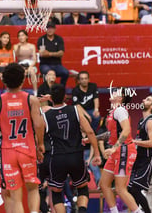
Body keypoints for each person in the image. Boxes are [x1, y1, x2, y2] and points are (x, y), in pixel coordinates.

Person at [0, 63, 45, 213]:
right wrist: (41, 144)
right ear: (23, 79)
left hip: (8, 152)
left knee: (16, 197)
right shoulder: (31, 100)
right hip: (27, 150)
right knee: (32, 189)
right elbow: (39, 124)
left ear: (4, 80)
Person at [43, 84, 101, 213]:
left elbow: (38, 139)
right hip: (76, 155)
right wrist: (97, 154)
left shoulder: (45, 115)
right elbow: (90, 132)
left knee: (56, 192)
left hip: (57, 157)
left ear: (51, 98)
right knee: (82, 187)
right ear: (65, 97)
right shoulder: (75, 110)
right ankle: (81, 210)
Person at [100, 88, 141, 213]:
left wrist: (114, 147)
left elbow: (127, 130)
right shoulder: (113, 112)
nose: (113, 92)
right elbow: (111, 133)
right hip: (117, 151)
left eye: (117, 92)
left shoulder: (120, 110)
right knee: (104, 184)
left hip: (124, 150)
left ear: (121, 97)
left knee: (120, 189)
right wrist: (91, 139)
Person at [128, 94, 152, 213]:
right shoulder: (142, 120)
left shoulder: (151, 121)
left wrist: (134, 141)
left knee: (135, 189)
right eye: (144, 98)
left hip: (148, 159)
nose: (143, 99)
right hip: (139, 158)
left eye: (147, 99)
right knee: (130, 189)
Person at [37, 22, 69, 87]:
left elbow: (61, 53)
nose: (50, 30)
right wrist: (55, 53)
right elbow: (42, 54)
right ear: (45, 29)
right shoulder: (41, 39)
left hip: (57, 65)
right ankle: (48, 91)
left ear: (55, 29)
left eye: (51, 28)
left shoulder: (59, 39)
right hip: (44, 64)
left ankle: (61, 89)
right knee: (49, 73)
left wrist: (49, 53)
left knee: (66, 73)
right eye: (48, 28)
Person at [13, 30, 38, 96]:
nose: (21, 37)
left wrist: (30, 66)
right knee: (23, 72)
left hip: (30, 64)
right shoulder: (16, 46)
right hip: (20, 64)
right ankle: (18, 91)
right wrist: (18, 48)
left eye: (23, 35)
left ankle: (35, 92)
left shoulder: (32, 46)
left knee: (32, 71)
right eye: (19, 36)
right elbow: (16, 56)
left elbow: (34, 59)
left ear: (26, 36)